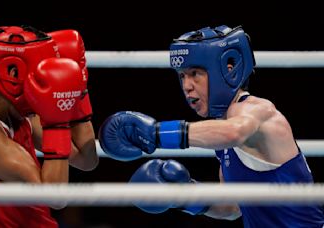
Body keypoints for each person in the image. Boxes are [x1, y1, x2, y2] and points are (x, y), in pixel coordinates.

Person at [98, 25, 324, 227]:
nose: (187, 86)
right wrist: (183, 197)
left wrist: (156, 134)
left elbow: (235, 132)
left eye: (195, 73)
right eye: (182, 76)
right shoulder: (221, 132)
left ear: (228, 69)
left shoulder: (258, 110)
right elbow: (233, 208)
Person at [0, 25, 98, 228]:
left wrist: (77, 91)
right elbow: (56, 198)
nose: (43, 82)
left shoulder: (20, 116)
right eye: (38, 74)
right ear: (12, 73)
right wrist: (57, 123)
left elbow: (86, 159)